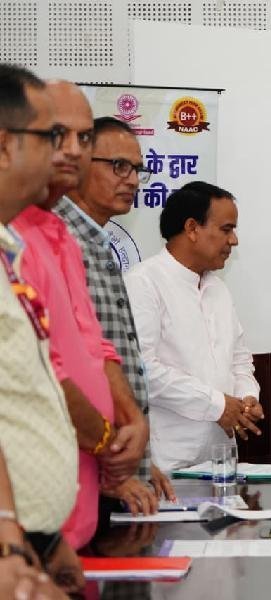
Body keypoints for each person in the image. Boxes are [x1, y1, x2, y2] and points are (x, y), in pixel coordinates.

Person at [11, 81, 151, 551]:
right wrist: (111, 445)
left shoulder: (60, 233)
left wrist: (133, 420)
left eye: (84, 137)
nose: (72, 150)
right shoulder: (15, 236)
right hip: (30, 514)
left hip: (73, 510)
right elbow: (42, 370)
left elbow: (96, 346)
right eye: (57, 134)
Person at [56, 113, 176, 503]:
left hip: (110, 463)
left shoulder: (97, 242)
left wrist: (138, 462)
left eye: (138, 169)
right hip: (79, 466)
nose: (133, 180)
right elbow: (65, 364)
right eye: (119, 166)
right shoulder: (59, 239)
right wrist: (111, 463)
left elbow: (109, 350)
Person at [0, 62, 79, 596]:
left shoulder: (10, 248)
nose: (63, 153)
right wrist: (7, 539)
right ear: (6, 145)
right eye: (50, 136)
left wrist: (46, 541)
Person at [125, 181, 263, 472]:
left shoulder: (218, 289)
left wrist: (247, 398)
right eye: (226, 229)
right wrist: (217, 405)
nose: (234, 240)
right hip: (166, 463)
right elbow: (141, 369)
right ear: (192, 228)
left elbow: (239, 359)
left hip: (222, 459)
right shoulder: (143, 283)